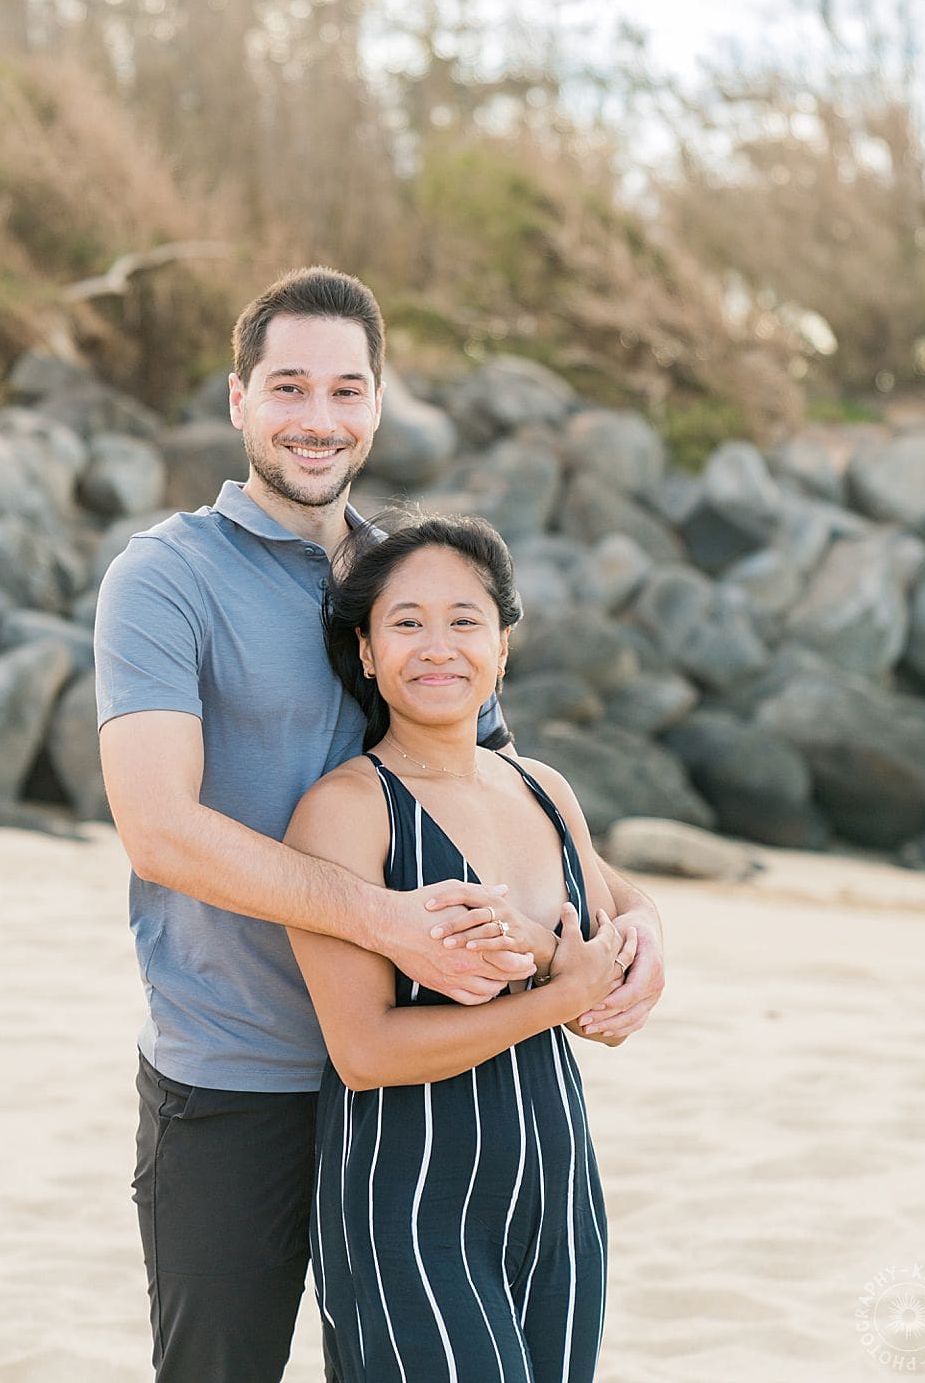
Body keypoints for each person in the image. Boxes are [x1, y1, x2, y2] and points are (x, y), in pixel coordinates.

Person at [95, 265, 664, 1383]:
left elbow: (499, 799)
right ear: (238, 399)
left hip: (435, 1083)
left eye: (346, 390)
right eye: (290, 387)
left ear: (378, 401)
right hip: (241, 1071)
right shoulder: (165, 577)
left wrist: (641, 925)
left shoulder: (414, 588)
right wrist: (385, 919)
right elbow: (157, 828)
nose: (319, 419)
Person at [285, 515, 631, 1382]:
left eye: (464, 621)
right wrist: (556, 996)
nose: (437, 647)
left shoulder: (544, 789)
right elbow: (363, 1052)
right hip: (409, 1199)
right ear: (366, 653)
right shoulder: (346, 809)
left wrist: (611, 974)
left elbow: (596, 962)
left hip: (558, 1190)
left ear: (503, 647)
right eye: (405, 623)